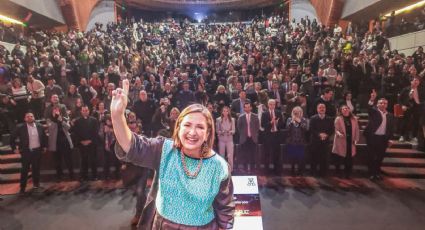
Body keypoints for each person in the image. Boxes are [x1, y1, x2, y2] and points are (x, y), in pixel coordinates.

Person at [111, 80, 234, 229]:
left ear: (208, 133)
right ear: (178, 127)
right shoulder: (163, 149)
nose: (192, 132)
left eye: (200, 127)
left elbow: (225, 211)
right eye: (187, 125)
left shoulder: (219, 167)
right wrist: (117, 116)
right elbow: (132, 146)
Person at [10, 112, 47, 194]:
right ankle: (22, 188)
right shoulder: (20, 127)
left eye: (31, 116)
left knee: (36, 169)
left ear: (34, 117)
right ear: (25, 119)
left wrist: (44, 146)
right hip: (26, 152)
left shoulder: (39, 126)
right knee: (25, 170)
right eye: (28, 116)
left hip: (37, 151)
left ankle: (36, 185)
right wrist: (14, 148)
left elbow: (43, 137)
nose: (30, 117)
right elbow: (12, 137)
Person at [364, 90, 395, 181]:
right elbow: (369, 108)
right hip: (373, 137)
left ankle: (377, 173)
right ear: (377, 104)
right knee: (371, 156)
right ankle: (371, 173)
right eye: (381, 103)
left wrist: (390, 139)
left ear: (387, 105)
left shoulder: (390, 115)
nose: (383, 104)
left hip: (383, 139)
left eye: (385, 103)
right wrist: (372, 99)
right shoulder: (374, 112)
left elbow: (390, 129)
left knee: (380, 157)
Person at [332, 105, 360, 178]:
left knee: (349, 158)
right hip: (340, 140)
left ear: (349, 110)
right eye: (343, 109)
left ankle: (348, 173)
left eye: (347, 108)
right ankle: (338, 172)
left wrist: (356, 139)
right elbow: (336, 129)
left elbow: (357, 130)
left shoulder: (354, 119)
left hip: (350, 141)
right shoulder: (338, 119)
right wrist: (339, 133)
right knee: (339, 158)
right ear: (341, 110)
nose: (345, 110)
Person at [72, 105, 99, 181]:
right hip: (82, 144)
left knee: (93, 160)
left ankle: (95, 176)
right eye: (83, 110)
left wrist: (90, 141)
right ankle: (84, 176)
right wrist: (81, 141)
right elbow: (76, 133)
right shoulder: (77, 121)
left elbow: (96, 132)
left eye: (86, 110)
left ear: (88, 111)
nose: (85, 112)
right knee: (83, 160)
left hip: (92, 144)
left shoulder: (94, 120)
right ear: (81, 111)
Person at [309, 103, 334, 177]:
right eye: (320, 107)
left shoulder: (329, 119)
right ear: (317, 109)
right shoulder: (313, 118)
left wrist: (326, 135)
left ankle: (323, 173)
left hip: (325, 141)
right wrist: (319, 135)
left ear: (325, 109)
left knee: (324, 158)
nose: (322, 109)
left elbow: (332, 129)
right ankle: (313, 172)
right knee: (314, 158)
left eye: (323, 107)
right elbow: (311, 129)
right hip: (315, 141)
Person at [261, 99, 284, 174]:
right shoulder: (264, 113)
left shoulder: (278, 112)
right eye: (270, 104)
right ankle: (266, 170)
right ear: (268, 105)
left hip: (276, 136)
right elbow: (262, 125)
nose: (272, 106)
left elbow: (282, 124)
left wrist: (277, 124)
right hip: (267, 136)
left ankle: (276, 169)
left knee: (276, 153)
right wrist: (271, 122)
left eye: (273, 104)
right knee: (266, 153)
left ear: (275, 105)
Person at [237, 102, 260, 173]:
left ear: (251, 108)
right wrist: (243, 134)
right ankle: (245, 169)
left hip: (253, 138)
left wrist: (253, 134)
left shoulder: (255, 116)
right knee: (245, 155)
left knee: (253, 155)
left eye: (248, 107)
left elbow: (257, 127)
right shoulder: (241, 117)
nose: (247, 108)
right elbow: (239, 128)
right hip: (244, 138)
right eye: (245, 107)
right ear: (244, 108)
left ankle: (252, 169)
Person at [285, 106, 308, 176]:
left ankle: (300, 171)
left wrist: (299, 121)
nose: (296, 114)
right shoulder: (289, 119)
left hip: (300, 142)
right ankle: (292, 171)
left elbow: (305, 129)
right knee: (292, 158)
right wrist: (292, 122)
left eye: (298, 112)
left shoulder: (304, 120)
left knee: (300, 158)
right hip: (292, 141)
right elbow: (287, 129)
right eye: (295, 112)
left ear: (301, 113)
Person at [216, 106, 236, 170]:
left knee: (230, 156)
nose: (225, 112)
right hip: (221, 140)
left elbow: (233, 130)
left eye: (226, 111)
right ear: (222, 112)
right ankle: (222, 170)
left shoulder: (232, 119)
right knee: (222, 156)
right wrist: (222, 132)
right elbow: (217, 131)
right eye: (224, 111)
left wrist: (229, 132)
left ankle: (230, 170)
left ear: (228, 112)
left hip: (229, 140)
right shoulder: (218, 119)